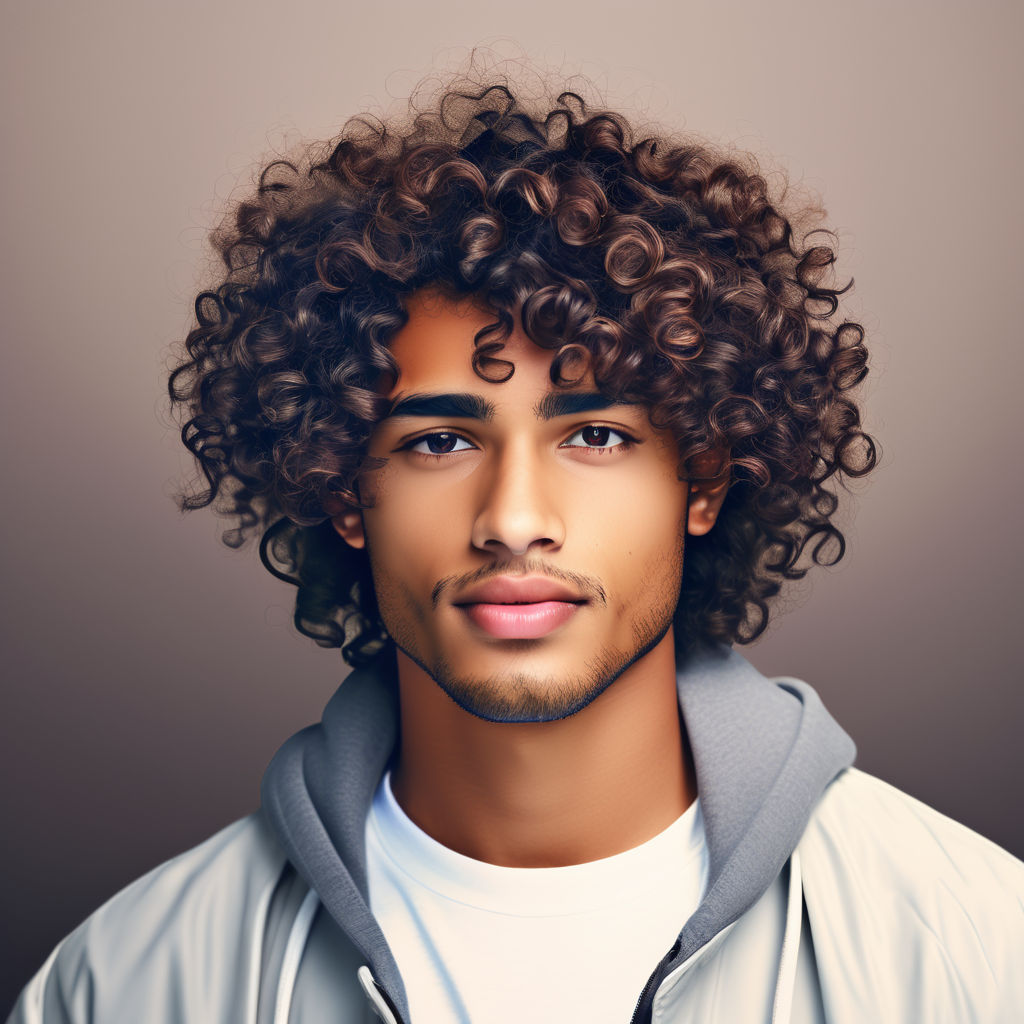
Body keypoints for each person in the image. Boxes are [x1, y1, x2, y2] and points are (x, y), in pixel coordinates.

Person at [9, 79, 1024, 1024]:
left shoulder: (974, 947)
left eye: (595, 435)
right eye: (439, 442)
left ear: (703, 480)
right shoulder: (128, 980)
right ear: (342, 488)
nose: (513, 517)